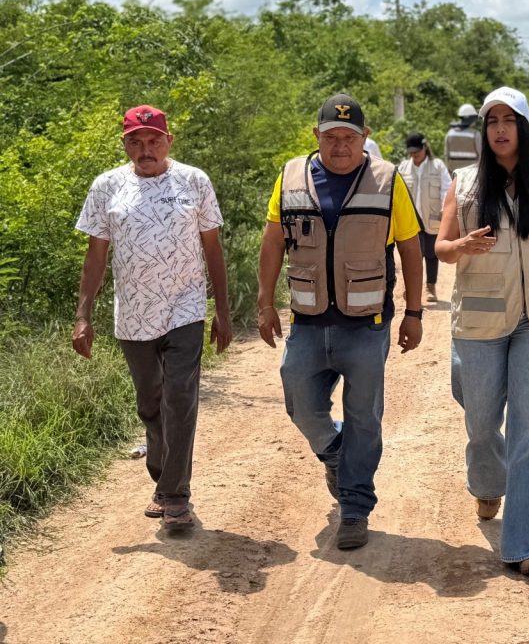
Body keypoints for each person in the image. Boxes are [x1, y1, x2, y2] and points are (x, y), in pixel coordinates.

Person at [256, 93, 423, 551]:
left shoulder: (387, 181)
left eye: (349, 137)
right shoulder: (291, 176)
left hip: (366, 325)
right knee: (299, 402)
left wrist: (414, 312)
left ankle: (354, 508)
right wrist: (265, 303)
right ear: (317, 136)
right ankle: (334, 452)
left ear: (364, 137)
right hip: (308, 322)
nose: (340, 145)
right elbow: (273, 242)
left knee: (363, 418)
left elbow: (410, 248)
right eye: (331, 136)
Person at [436, 86, 529, 577]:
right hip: (480, 322)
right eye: (491, 121)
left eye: (508, 120)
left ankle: (526, 545)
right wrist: (461, 245)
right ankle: (487, 483)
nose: (499, 129)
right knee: (481, 421)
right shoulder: (464, 182)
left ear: (522, 126)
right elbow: (441, 248)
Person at [72, 105, 232, 532]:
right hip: (134, 314)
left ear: (168, 141)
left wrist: (222, 310)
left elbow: (212, 248)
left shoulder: (193, 181)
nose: (146, 149)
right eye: (136, 142)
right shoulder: (107, 187)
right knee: (151, 403)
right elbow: (95, 256)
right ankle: (163, 480)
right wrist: (83, 315)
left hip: (186, 307)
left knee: (179, 395)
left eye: (154, 141)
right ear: (125, 144)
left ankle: (176, 497)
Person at [397, 132, 451, 303]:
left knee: (431, 255)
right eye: (412, 152)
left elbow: (447, 188)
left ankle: (430, 287)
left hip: (432, 218)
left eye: (417, 151)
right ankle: (413, 291)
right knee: (413, 257)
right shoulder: (403, 168)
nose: (415, 155)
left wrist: (444, 208)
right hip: (411, 220)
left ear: (425, 147)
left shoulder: (437, 166)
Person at [444, 103, 483, 173]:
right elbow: (481, 156)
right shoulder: (475, 134)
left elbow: (446, 155)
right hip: (472, 173)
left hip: (454, 173)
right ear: (471, 119)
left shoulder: (450, 133)